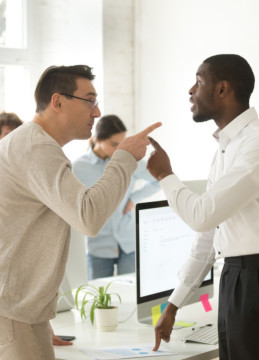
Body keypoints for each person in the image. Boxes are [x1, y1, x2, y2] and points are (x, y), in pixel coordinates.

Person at [0, 64, 160, 359]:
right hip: (14, 314)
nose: (96, 113)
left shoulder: (32, 145)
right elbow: (88, 217)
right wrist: (123, 157)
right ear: (58, 102)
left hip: (20, 312)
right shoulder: (36, 148)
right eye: (90, 101)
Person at [148, 54, 259, 360]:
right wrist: (173, 305)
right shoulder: (226, 149)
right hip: (233, 277)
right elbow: (211, 234)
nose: (191, 90)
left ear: (223, 89)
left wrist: (165, 174)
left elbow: (202, 216)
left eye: (199, 81)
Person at [73, 114, 160, 279]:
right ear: (97, 139)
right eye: (114, 144)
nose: (119, 150)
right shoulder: (78, 167)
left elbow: (159, 179)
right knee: (99, 298)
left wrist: (133, 199)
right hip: (98, 245)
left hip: (128, 242)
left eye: (122, 144)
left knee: (130, 295)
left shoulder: (130, 161)